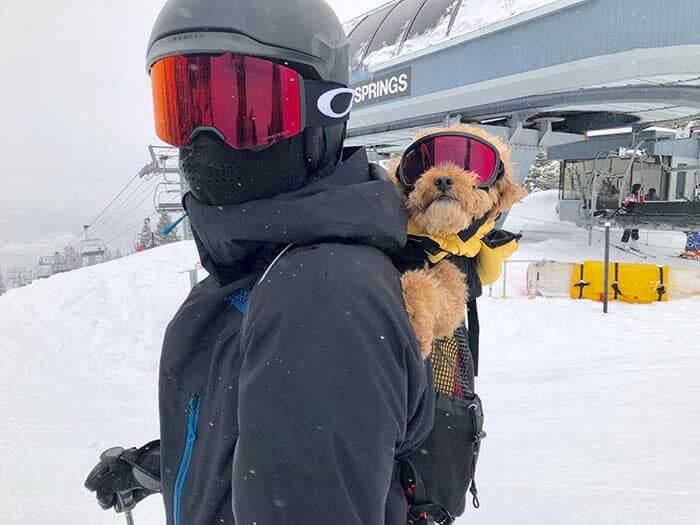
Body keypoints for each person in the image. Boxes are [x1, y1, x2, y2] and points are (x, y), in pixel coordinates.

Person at [84, 1, 434, 524]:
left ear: (323, 114)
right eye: (184, 109)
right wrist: (157, 465)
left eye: (241, 111)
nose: (203, 143)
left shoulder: (316, 293)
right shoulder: (269, 264)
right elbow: (270, 448)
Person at [620, 183, 645, 249]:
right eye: (639, 190)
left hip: (636, 215)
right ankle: (624, 243)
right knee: (628, 229)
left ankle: (634, 242)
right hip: (629, 215)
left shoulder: (640, 197)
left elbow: (642, 206)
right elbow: (624, 204)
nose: (640, 191)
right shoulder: (630, 196)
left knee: (636, 229)